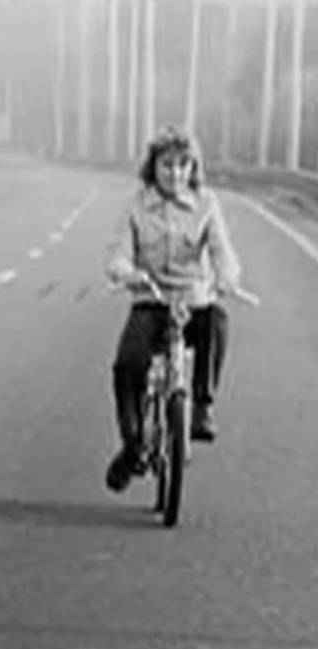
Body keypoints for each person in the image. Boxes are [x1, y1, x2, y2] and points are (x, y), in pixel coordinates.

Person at [103, 125, 244, 492]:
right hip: (152, 300)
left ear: (193, 168)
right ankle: (132, 444)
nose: (175, 173)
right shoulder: (136, 205)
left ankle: (202, 407)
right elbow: (117, 253)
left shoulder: (207, 204)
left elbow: (222, 251)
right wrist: (126, 273)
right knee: (128, 364)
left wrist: (226, 277)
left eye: (184, 165)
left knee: (218, 321)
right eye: (167, 165)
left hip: (194, 299)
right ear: (153, 167)